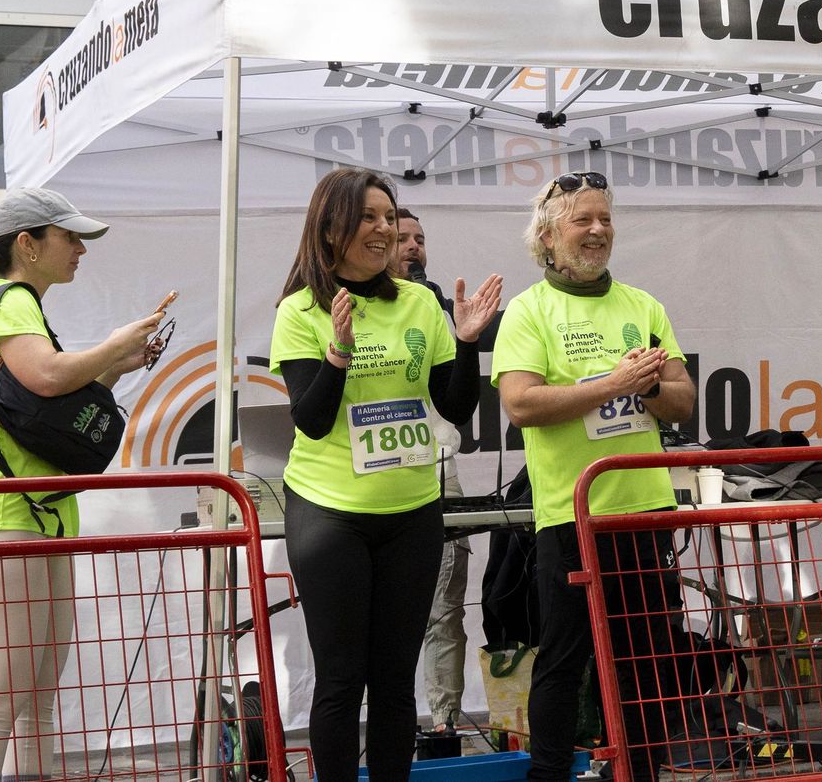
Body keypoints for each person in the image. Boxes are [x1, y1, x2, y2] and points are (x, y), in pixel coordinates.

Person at [270, 169, 500, 782]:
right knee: (343, 681)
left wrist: (468, 342)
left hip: (412, 511)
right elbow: (313, 421)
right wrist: (339, 352)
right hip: (330, 512)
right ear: (330, 228)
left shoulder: (421, 302)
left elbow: (453, 408)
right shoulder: (299, 311)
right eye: (368, 217)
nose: (384, 229)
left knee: (397, 683)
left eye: (388, 217)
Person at [0, 188, 163, 780]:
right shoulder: (11, 298)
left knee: (32, 701)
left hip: (31, 520)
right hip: (3, 525)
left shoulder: (9, 303)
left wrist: (114, 363)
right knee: (0, 701)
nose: (80, 250)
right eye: (69, 237)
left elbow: (43, 390)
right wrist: (113, 347)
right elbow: (44, 378)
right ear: (28, 245)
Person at [491, 171, 695, 782]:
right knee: (565, 659)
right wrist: (613, 384)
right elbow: (521, 404)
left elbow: (683, 400)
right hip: (571, 516)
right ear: (548, 237)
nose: (598, 230)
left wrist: (652, 384)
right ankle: (549, 775)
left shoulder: (643, 304)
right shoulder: (529, 311)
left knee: (649, 659)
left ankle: (642, 771)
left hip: (645, 508)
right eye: (583, 220)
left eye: (604, 219)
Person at [393, 206, 474, 739]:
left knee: (443, 611)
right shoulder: (342, 309)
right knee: (383, 619)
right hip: (367, 482)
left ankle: (443, 725)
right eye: (402, 239)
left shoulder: (437, 309)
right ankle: (389, 725)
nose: (413, 247)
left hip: (437, 469)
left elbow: (457, 402)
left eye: (420, 239)